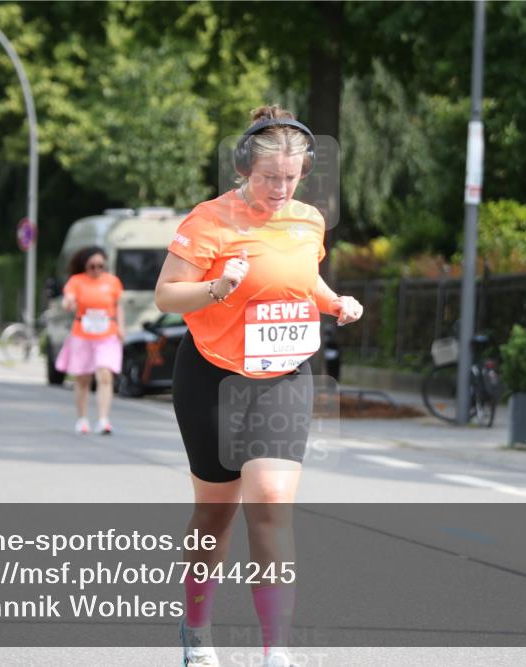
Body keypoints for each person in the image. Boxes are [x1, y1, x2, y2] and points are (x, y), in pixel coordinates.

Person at [155, 105, 363, 667]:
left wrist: (334, 301)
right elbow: (167, 295)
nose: (280, 188)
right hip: (212, 374)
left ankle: (276, 652)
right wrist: (218, 287)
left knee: (271, 502)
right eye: (270, 177)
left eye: (292, 178)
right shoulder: (209, 221)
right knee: (215, 515)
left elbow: (302, 278)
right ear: (246, 167)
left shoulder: (308, 221)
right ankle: (197, 633)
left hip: (284, 375)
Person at [55, 246, 125, 435]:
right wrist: (68, 302)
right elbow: (68, 298)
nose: (96, 269)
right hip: (82, 335)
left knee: (105, 375)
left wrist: (121, 328)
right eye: (92, 266)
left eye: (100, 266)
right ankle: (82, 419)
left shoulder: (113, 282)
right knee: (83, 378)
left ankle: (103, 420)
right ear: (85, 265)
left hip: (107, 334)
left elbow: (118, 306)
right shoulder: (77, 281)